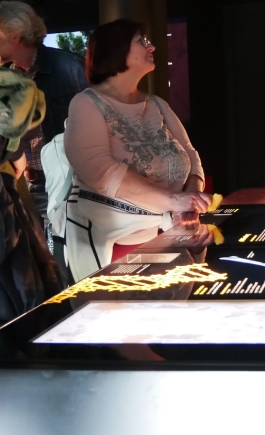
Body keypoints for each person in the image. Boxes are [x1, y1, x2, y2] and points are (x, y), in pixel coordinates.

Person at [61, 19, 209, 278]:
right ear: (116, 49)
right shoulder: (86, 103)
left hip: (169, 235)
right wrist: (175, 202)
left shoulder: (157, 104)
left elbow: (191, 155)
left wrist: (189, 202)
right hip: (112, 244)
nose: (152, 46)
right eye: (142, 41)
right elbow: (99, 170)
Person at [0, 1, 88, 187]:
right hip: (31, 184)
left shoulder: (68, 68)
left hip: (70, 185)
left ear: (15, 35)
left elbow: (97, 131)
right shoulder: (6, 79)